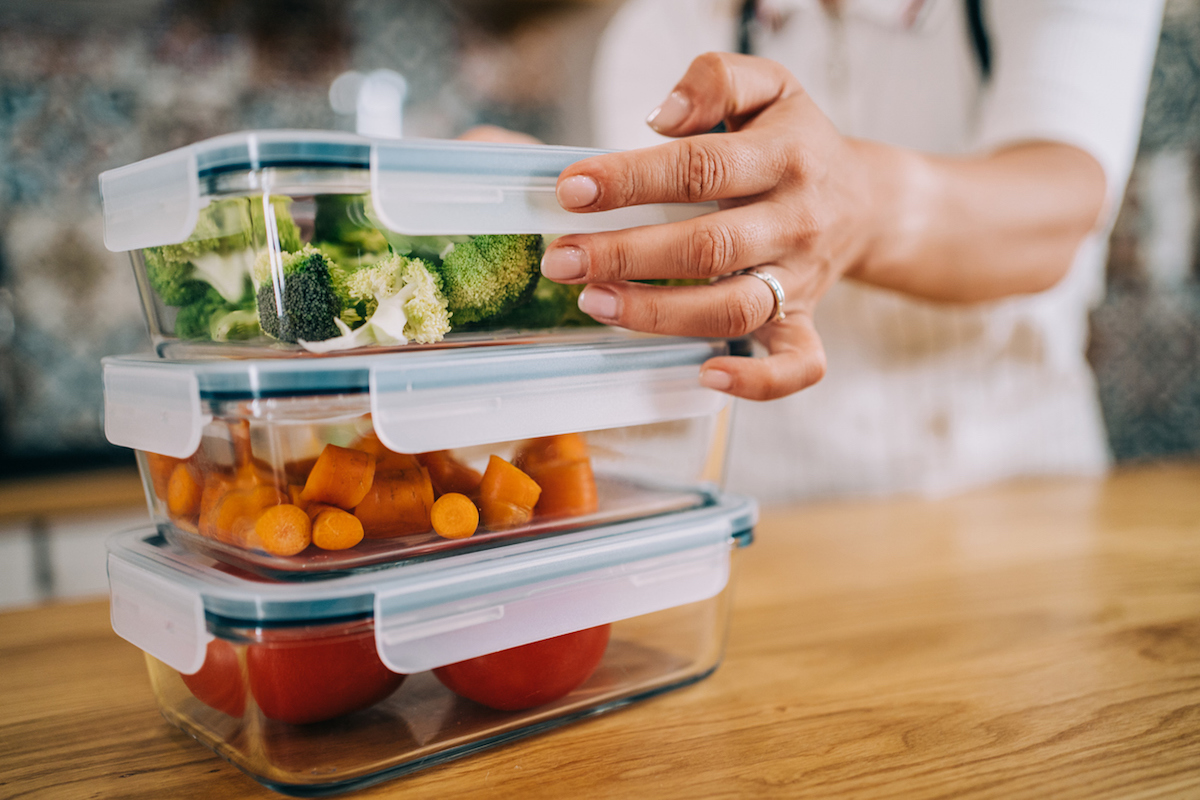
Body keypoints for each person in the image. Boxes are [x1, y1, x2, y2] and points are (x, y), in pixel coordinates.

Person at [472, 0, 1165, 503]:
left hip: (1027, 500)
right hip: (770, 516)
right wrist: (551, 231)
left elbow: (1060, 209)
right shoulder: (658, 28)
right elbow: (679, 282)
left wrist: (858, 206)